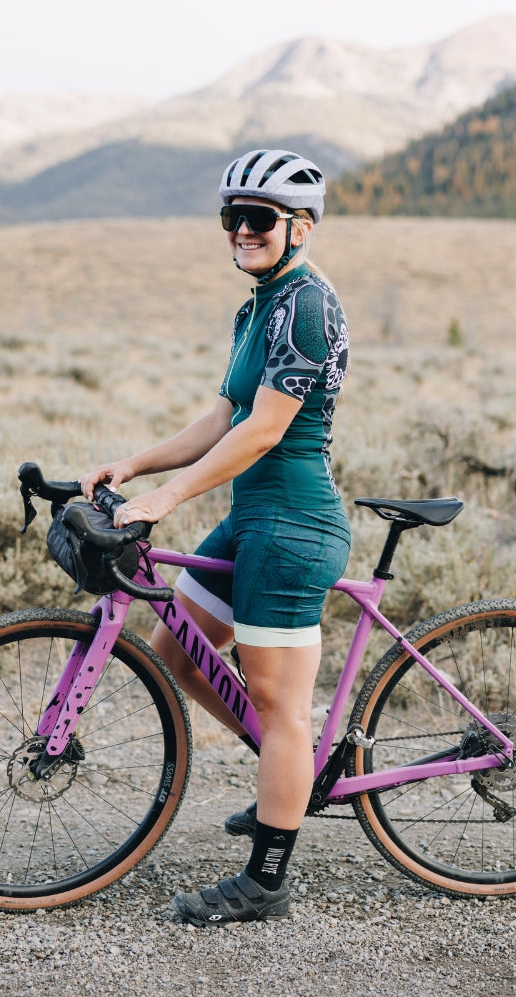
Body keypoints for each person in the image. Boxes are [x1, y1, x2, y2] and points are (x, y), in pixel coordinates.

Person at [80, 148, 350, 926]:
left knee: (280, 704)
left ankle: (266, 878)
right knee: (178, 650)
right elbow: (225, 418)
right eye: (232, 217)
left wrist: (165, 497)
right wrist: (135, 462)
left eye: (258, 218)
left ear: (299, 227)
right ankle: (286, 778)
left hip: (294, 527)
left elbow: (266, 431)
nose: (242, 231)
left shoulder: (305, 304)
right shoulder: (259, 303)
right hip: (252, 520)